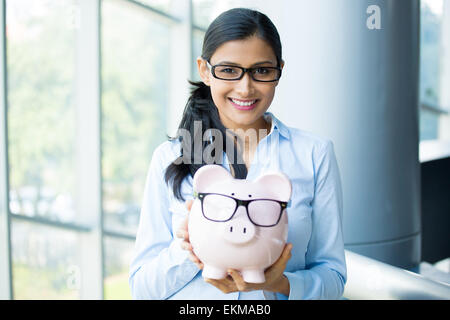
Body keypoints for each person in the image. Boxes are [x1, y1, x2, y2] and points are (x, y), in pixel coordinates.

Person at [129, 7, 346, 300]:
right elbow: (143, 290)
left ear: (278, 71)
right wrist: (188, 247)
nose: (245, 88)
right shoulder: (170, 157)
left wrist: (278, 283)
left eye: (261, 71)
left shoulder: (314, 155)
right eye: (229, 70)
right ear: (205, 71)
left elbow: (332, 277)